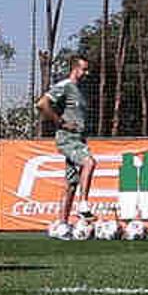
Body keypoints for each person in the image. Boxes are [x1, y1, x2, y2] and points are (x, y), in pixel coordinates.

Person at [37, 56, 96, 229]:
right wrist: (61, 122)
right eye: (84, 69)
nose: (87, 73)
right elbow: (42, 104)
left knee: (71, 183)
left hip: (78, 139)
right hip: (67, 138)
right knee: (89, 162)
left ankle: (61, 224)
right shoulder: (65, 86)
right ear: (75, 69)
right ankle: (83, 204)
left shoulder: (80, 90)